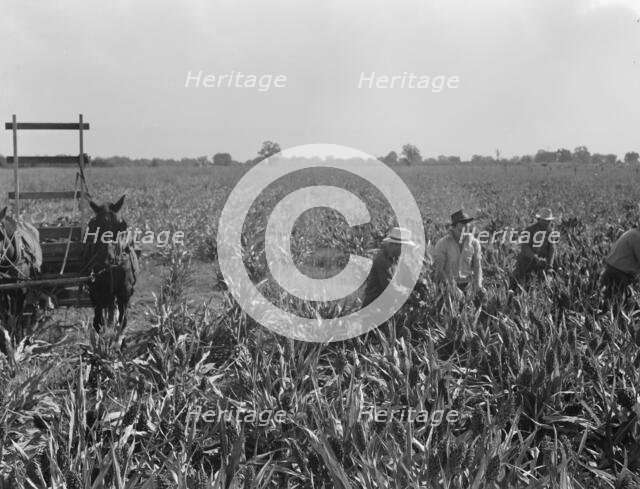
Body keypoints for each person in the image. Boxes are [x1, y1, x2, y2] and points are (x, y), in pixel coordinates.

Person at [432, 210, 485, 302]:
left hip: (468, 284)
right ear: (453, 228)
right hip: (447, 283)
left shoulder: (474, 243)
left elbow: (477, 267)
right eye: (460, 230)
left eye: (466, 230)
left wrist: (478, 285)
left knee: (483, 298)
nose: (463, 233)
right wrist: (453, 287)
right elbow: (439, 270)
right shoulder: (442, 244)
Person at [361, 227, 417, 308]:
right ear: (394, 245)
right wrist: (408, 294)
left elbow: (408, 278)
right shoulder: (382, 261)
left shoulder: (398, 259)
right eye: (404, 247)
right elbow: (390, 288)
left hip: (388, 305)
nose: (405, 250)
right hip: (375, 306)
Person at [510, 208, 557, 289]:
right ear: (539, 220)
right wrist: (535, 258)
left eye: (548, 221)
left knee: (542, 285)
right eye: (544, 220)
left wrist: (549, 266)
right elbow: (525, 247)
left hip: (541, 263)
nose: (547, 223)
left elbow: (551, 249)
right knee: (519, 283)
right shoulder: (529, 230)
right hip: (526, 261)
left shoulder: (550, 232)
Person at [600, 226, 640, 302]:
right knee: (617, 305)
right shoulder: (637, 237)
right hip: (619, 275)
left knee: (609, 304)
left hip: (611, 271)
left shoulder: (631, 233)